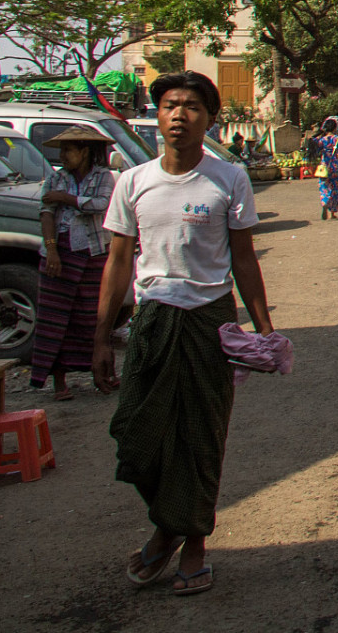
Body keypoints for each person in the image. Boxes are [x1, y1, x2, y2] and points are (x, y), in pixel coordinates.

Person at [94, 70, 273, 596]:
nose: (179, 115)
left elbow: (243, 258)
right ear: (158, 114)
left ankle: (191, 543)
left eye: (192, 106)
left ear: (209, 119)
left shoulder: (229, 179)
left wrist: (263, 330)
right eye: (170, 105)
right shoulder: (134, 182)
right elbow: (118, 262)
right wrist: (102, 337)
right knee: (137, 434)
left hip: (209, 320)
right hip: (152, 319)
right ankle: (169, 524)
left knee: (200, 435)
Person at [32, 126, 118, 400]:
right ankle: (59, 382)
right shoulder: (55, 178)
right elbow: (46, 213)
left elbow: (101, 204)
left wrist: (65, 199)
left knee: (95, 316)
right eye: (62, 151)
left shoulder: (104, 177)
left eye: (69, 150)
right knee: (56, 319)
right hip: (60, 253)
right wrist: (52, 250)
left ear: (84, 151)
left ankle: (102, 374)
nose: (64, 156)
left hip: (93, 253)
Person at [308, 116, 338, 221]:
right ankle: (332, 212)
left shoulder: (321, 140)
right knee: (335, 189)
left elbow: (316, 151)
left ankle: (325, 201)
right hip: (335, 166)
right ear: (334, 128)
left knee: (324, 187)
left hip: (324, 167)